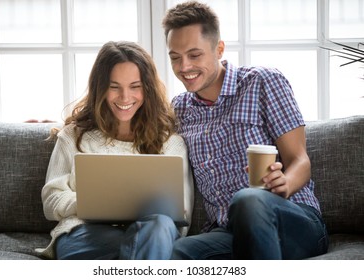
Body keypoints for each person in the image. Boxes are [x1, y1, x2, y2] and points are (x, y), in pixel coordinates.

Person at [162, 1, 328, 259]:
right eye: (175, 58)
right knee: (176, 252)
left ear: (219, 49)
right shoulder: (180, 108)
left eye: (195, 55)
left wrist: (285, 183)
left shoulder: (262, 82)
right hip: (230, 231)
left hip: (290, 220)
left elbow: (300, 161)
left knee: (248, 199)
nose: (184, 67)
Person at [38, 41, 194, 260]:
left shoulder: (169, 143)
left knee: (159, 228)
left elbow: (181, 212)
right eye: (114, 87)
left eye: (135, 86)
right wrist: (93, 203)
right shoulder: (73, 136)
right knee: (150, 247)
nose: (125, 97)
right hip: (85, 234)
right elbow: (51, 200)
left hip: (151, 234)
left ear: (147, 89)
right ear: (100, 88)